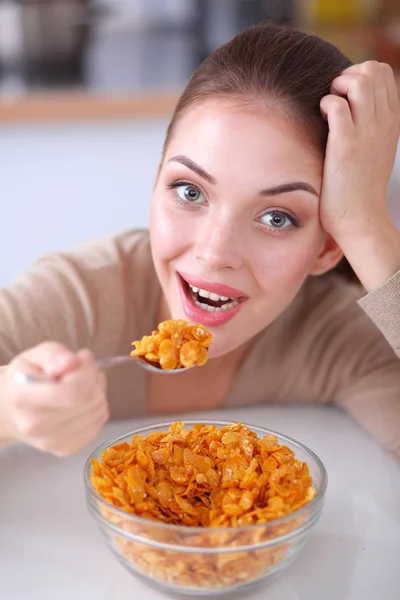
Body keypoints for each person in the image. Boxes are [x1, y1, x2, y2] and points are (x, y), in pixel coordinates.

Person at [0, 23, 399, 459]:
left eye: (276, 217)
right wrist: (10, 411)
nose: (214, 253)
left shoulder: (334, 339)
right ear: (156, 182)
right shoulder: (82, 298)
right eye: (190, 191)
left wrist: (365, 223)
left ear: (327, 247)